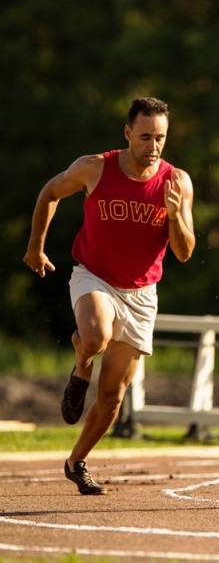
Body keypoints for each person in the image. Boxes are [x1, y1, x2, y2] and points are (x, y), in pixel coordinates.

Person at [23, 97, 195, 495]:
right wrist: (36, 246)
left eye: (161, 138)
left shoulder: (177, 182)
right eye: (146, 136)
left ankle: (76, 461)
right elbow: (50, 192)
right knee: (97, 335)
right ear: (128, 134)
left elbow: (185, 253)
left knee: (113, 396)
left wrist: (174, 216)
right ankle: (82, 363)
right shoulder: (95, 167)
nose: (153, 146)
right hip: (94, 277)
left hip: (141, 293)